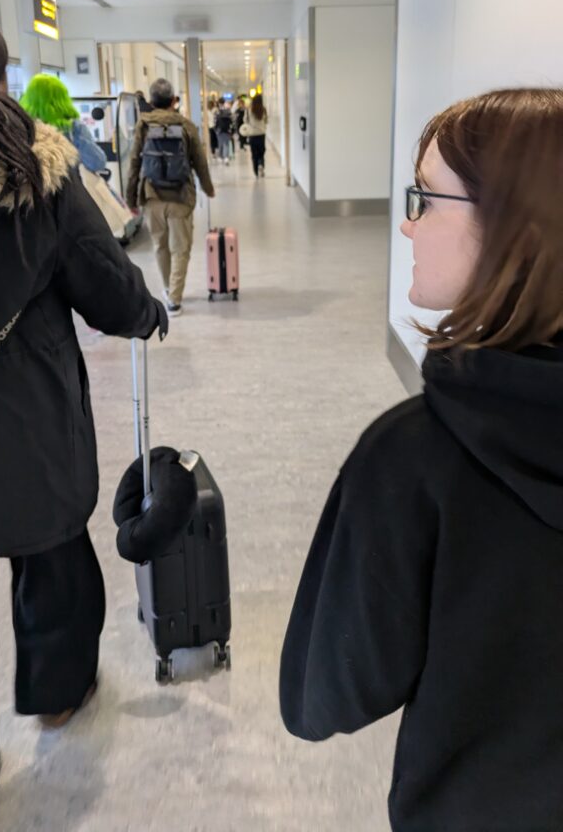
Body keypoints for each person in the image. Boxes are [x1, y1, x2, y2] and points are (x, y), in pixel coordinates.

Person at [280, 88, 563, 831]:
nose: (406, 224)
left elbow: (324, 697)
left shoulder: (414, 456)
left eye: (425, 199)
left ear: (513, 231)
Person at [0, 18, 167, 799]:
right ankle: (57, 692)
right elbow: (100, 276)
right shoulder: (36, 166)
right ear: (1, 76)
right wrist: (145, 311)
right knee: (51, 554)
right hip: (26, 410)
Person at [126, 78, 215, 316]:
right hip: (180, 197)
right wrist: (208, 188)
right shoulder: (186, 125)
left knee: (160, 245)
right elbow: (200, 161)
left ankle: (167, 288)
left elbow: (134, 163)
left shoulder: (143, 125)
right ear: (174, 100)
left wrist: (131, 199)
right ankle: (174, 299)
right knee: (180, 249)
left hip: (152, 195)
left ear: (152, 101)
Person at [20, 75, 108, 175]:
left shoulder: (22, 127)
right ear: (62, 98)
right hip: (67, 183)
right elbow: (97, 162)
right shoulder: (73, 128)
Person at [246, 94, 268, 177]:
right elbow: (266, 121)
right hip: (261, 134)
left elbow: (245, 121)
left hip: (252, 134)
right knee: (261, 152)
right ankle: (261, 164)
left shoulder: (249, 110)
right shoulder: (263, 109)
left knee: (254, 153)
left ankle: (256, 171)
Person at [214, 97, 233, 165]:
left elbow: (215, 121)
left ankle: (220, 156)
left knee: (220, 144)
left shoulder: (217, 111)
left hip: (219, 130)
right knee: (226, 144)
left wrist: (215, 129)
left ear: (218, 103)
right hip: (227, 129)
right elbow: (231, 120)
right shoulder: (228, 110)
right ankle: (226, 157)